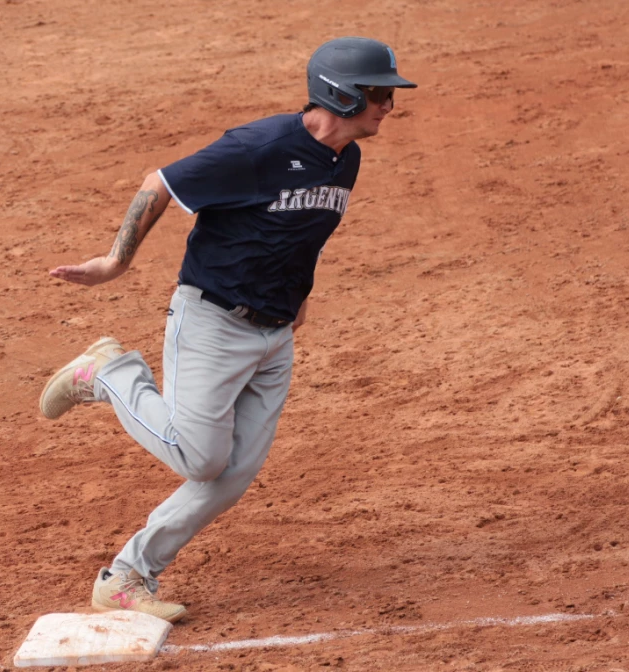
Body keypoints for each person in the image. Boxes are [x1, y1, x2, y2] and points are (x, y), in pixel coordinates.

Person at [39, 36, 416, 623]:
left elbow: (303, 231)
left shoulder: (347, 159)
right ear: (340, 94)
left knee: (230, 475)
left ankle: (127, 576)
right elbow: (161, 182)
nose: (388, 106)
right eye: (378, 94)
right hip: (214, 320)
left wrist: (300, 296)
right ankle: (111, 373)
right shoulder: (257, 148)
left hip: (275, 333)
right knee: (199, 460)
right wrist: (117, 262)